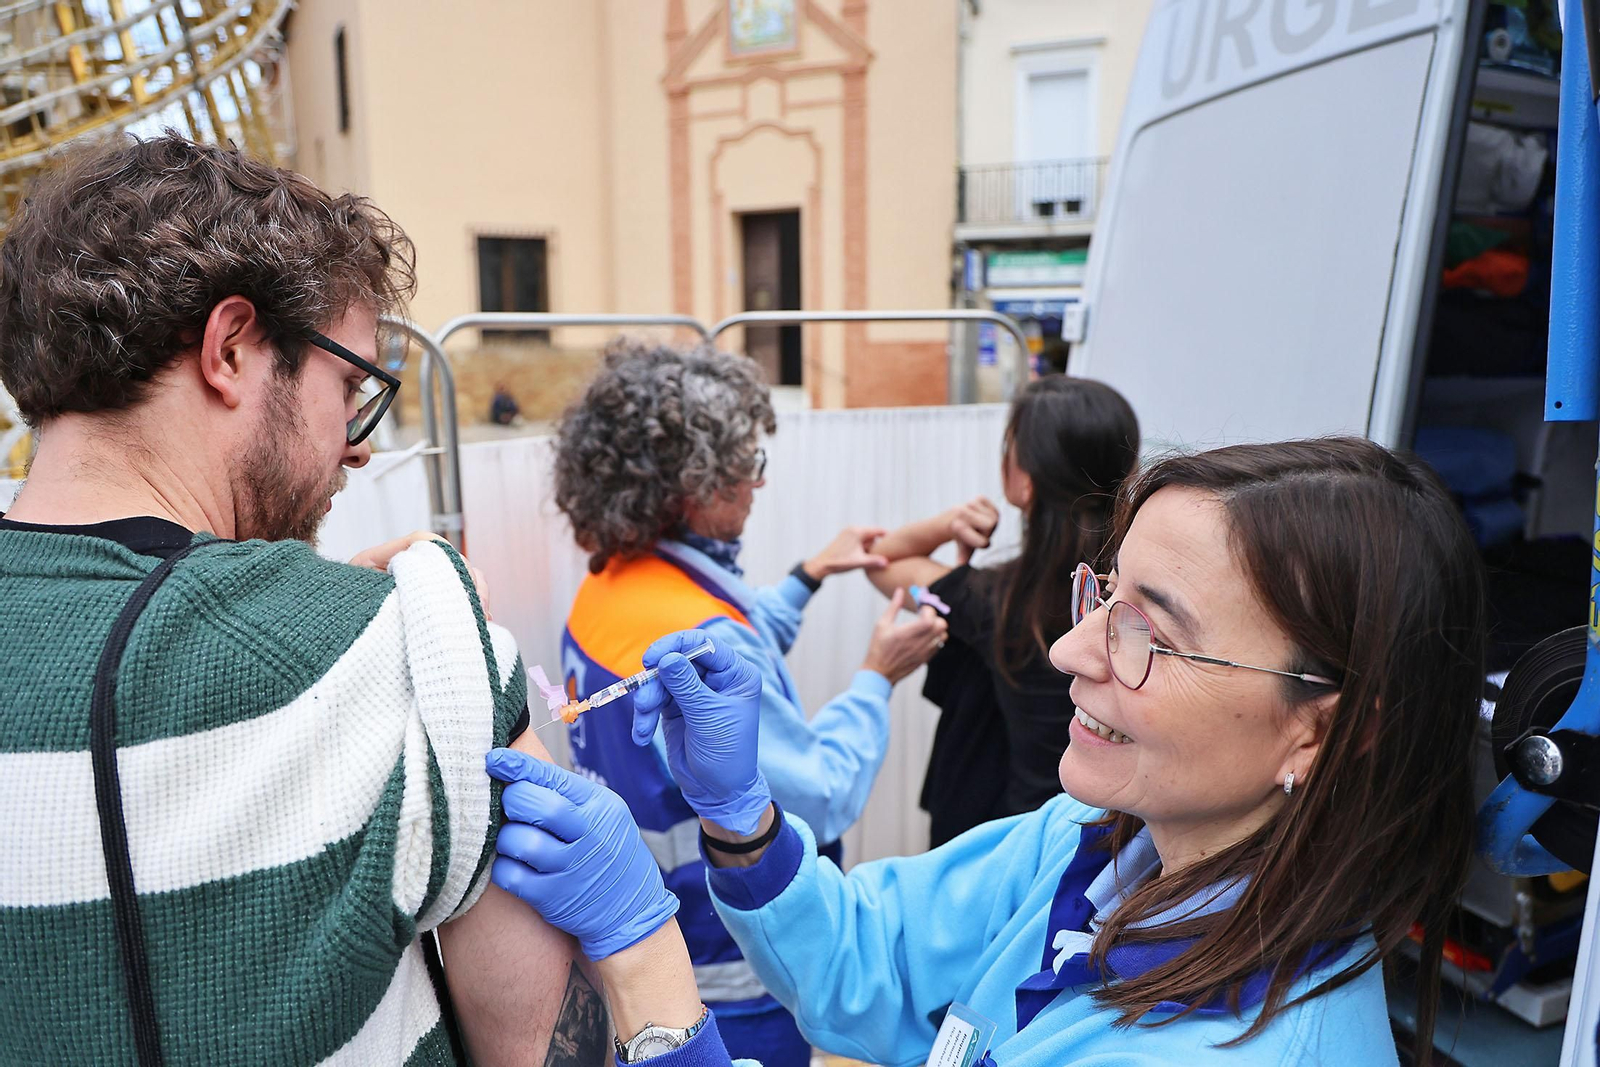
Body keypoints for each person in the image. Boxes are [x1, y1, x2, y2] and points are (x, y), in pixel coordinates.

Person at [496, 437, 1488, 1066]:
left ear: (1320, 727)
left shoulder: (1223, 1048)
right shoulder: (1094, 844)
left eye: (1148, 632)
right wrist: (742, 819)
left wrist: (644, 964)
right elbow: (871, 956)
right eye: (1104, 594)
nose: (1070, 651)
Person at [0, 135, 605, 1065]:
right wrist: (409, 642)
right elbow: (548, 1051)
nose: (358, 444)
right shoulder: (417, 651)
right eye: (351, 383)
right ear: (231, 348)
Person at [549, 339, 947, 1065]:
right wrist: (877, 677)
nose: (758, 483)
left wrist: (807, 576)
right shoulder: (700, 628)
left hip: (654, 951)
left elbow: (730, 654)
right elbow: (820, 794)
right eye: (747, 464)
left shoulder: (608, 586)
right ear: (695, 489)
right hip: (738, 970)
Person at [868, 377, 1139, 845]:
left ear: (1024, 481)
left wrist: (948, 524)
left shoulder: (996, 601)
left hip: (1022, 840)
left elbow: (880, 560)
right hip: (1125, 837)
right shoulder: (1145, 598)